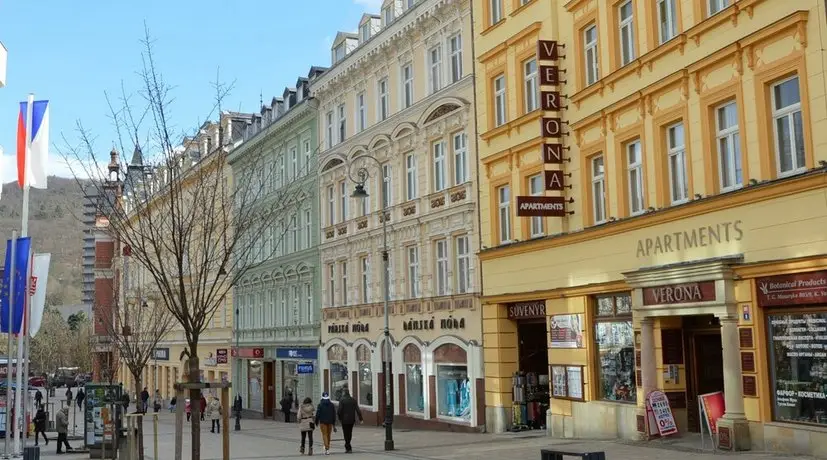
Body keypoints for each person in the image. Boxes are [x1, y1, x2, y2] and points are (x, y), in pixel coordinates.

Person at [336, 389, 363, 454]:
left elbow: (339, 410)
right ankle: (348, 446)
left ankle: (348, 446)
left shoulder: (342, 400)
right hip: (351, 419)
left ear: (344, 393)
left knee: (345, 433)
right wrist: (360, 418)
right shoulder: (353, 400)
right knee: (349, 432)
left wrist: (339, 418)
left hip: (344, 420)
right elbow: (358, 410)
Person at [314, 392, 336, 456]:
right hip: (330, 422)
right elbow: (334, 414)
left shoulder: (320, 405)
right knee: (328, 435)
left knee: (324, 435)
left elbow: (318, 414)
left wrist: (316, 422)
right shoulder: (331, 405)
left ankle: (327, 448)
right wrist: (334, 423)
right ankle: (327, 447)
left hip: (323, 422)